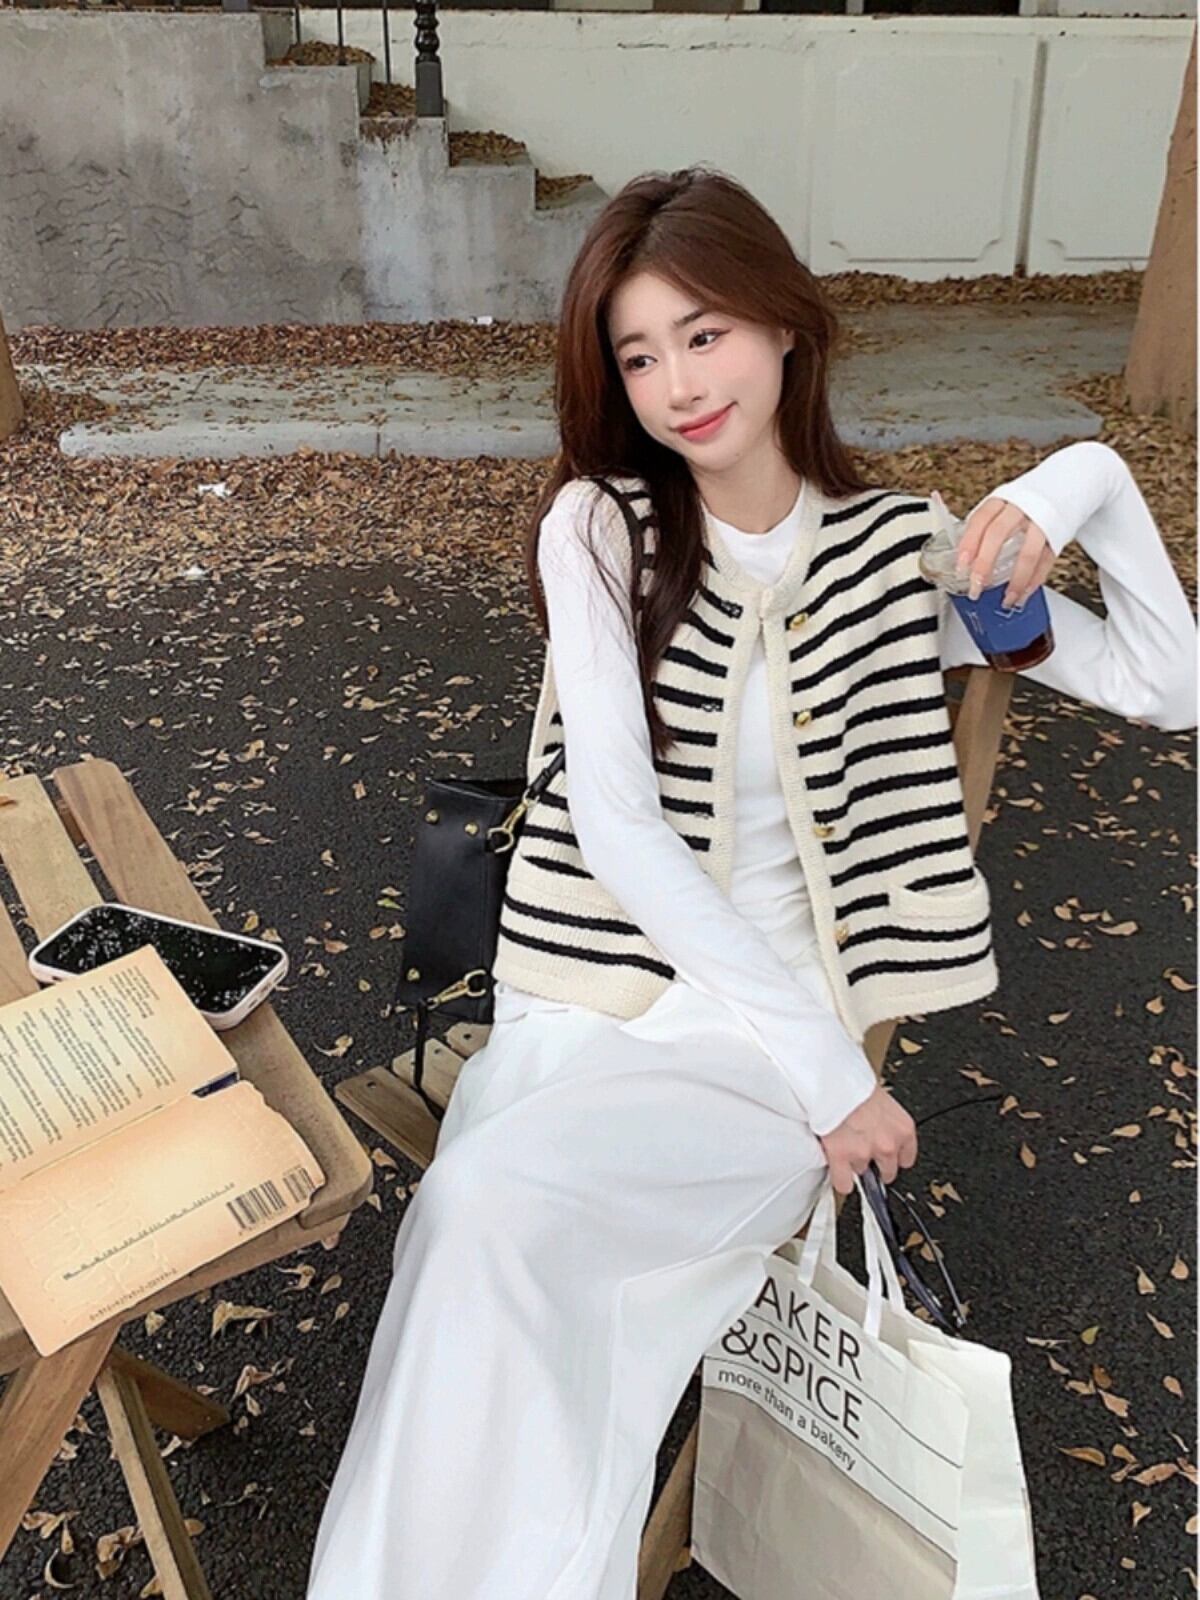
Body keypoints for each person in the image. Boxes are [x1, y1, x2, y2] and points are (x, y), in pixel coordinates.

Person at [306, 167, 1196, 1600]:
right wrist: (840, 1084)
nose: (677, 385)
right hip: (595, 1006)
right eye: (639, 355)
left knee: (491, 1231)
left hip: (763, 1058)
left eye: (705, 333)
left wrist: (1080, 479)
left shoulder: (904, 556)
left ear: (785, 324)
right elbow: (619, 828)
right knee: (482, 1226)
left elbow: (1170, 683)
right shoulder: (602, 528)